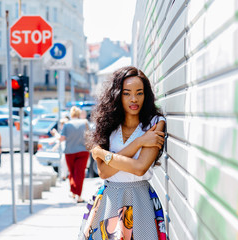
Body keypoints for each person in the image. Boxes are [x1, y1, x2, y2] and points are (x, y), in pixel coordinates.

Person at [78, 66, 167, 240]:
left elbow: (140, 168)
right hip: (109, 198)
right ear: (117, 95)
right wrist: (140, 142)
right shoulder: (106, 125)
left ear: (146, 95)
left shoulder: (156, 123)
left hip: (140, 199)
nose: (134, 99)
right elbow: (104, 172)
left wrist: (104, 155)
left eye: (139, 93)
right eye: (127, 93)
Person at [60, 106, 90, 203]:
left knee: (72, 173)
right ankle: (78, 195)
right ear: (79, 114)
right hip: (83, 151)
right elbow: (90, 135)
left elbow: (62, 138)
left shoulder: (67, 125)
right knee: (80, 174)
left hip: (69, 152)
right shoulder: (85, 122)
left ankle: (73, 192)